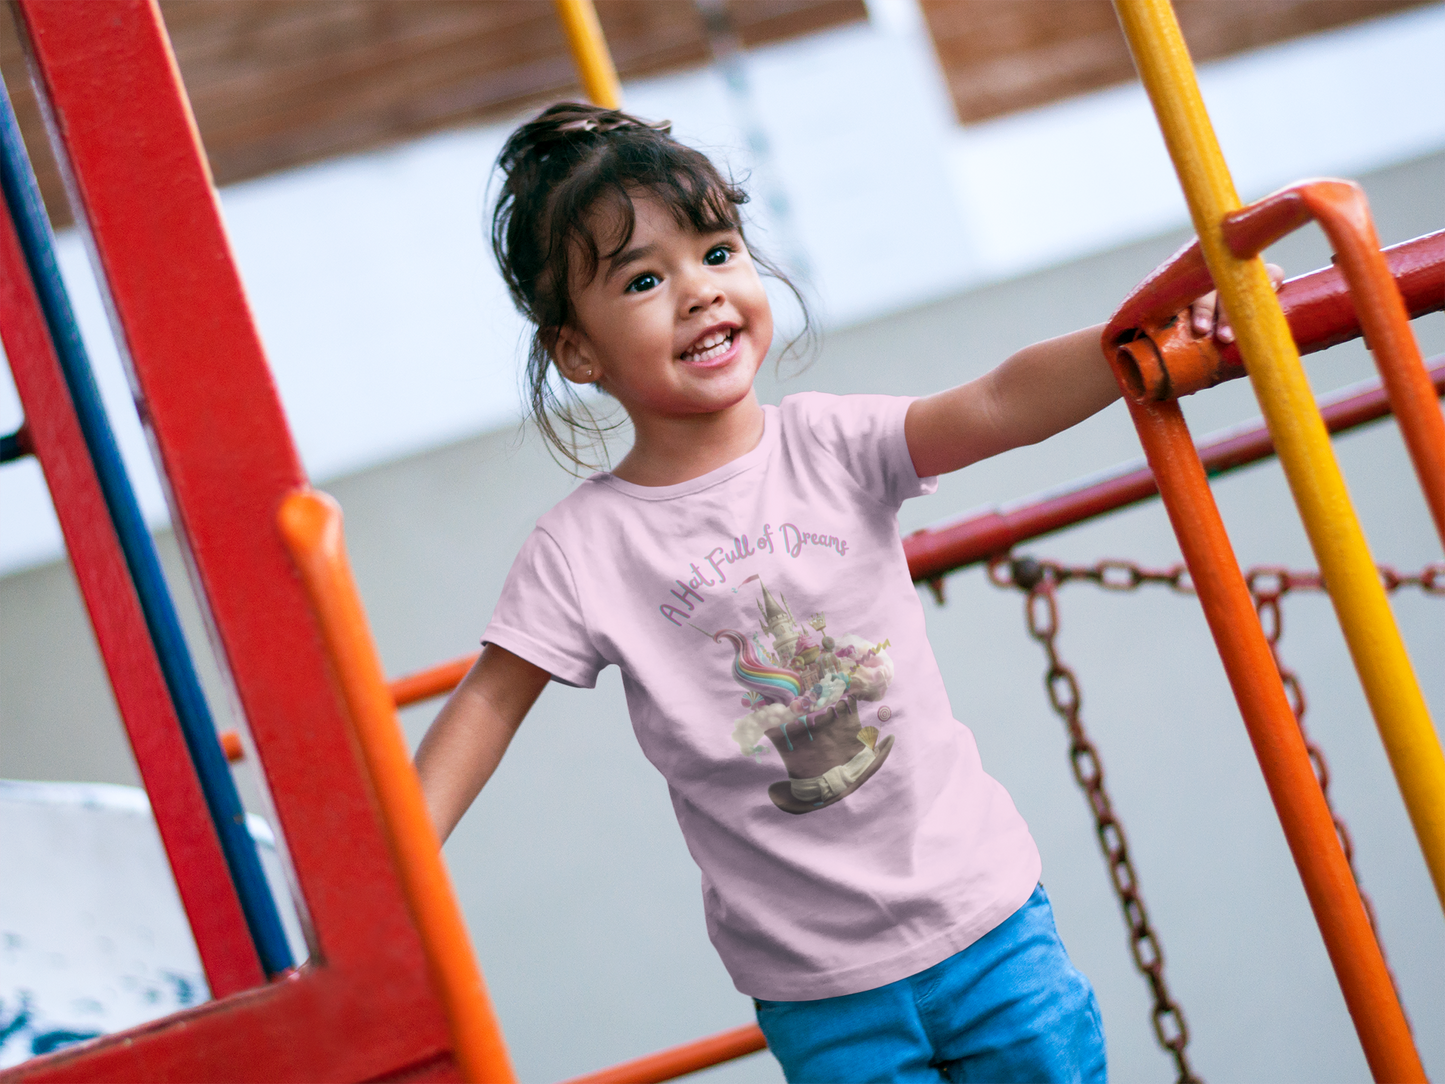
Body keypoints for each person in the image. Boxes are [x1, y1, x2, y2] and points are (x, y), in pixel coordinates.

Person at [415, 101, 1260, 1083]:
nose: (697, 292)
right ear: (578, 353)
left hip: (980, 914)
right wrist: (392, 875)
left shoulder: (826, 443)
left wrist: (1136, 337)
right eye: (644, 279)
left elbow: (994, 403)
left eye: (717, 252)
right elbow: (486, 703)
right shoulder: (583, 546)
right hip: (817, 981)